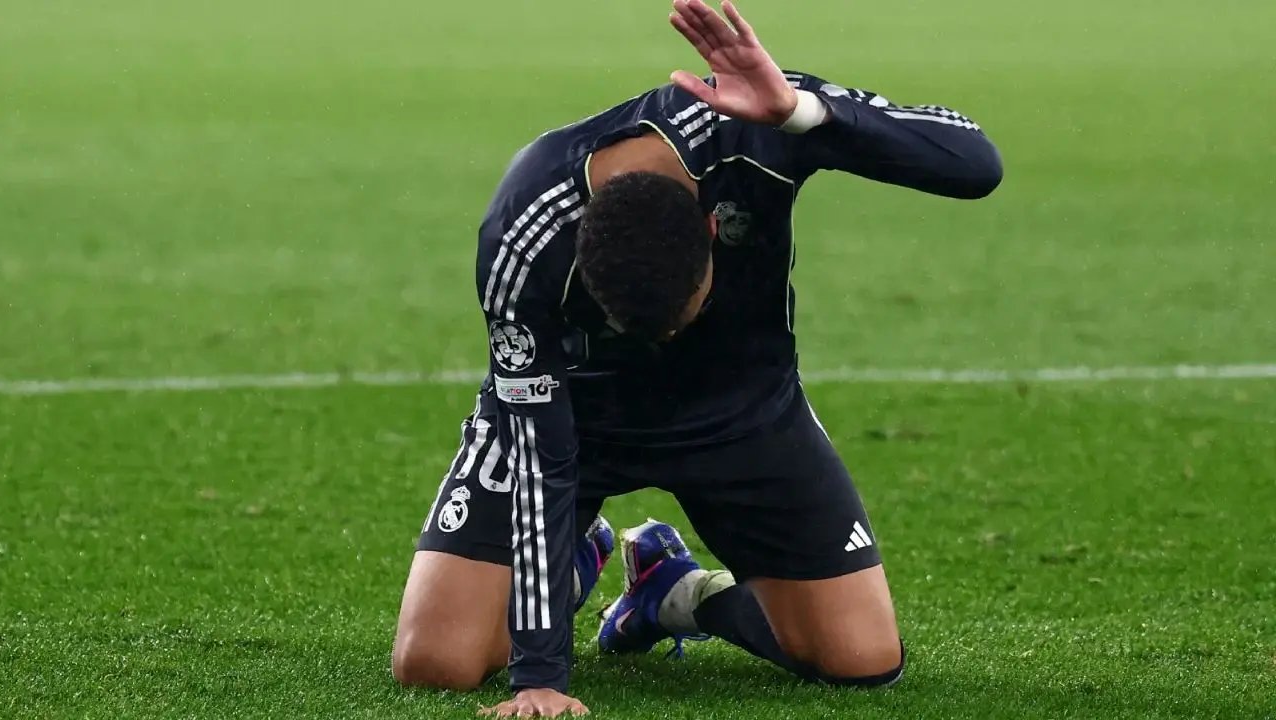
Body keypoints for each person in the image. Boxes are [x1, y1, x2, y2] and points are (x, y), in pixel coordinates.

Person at [392, 0, 1002, 716]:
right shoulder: (523, 240)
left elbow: (975, 165)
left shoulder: (753, 125)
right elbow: (538, 455)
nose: (670, 338)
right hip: (574, 421)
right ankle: (576, 556)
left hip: (741, 410)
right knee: (438, 661)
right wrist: (541, 677)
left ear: (714, 227)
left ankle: (670, 593)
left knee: (861, 662)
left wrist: (805, 113)